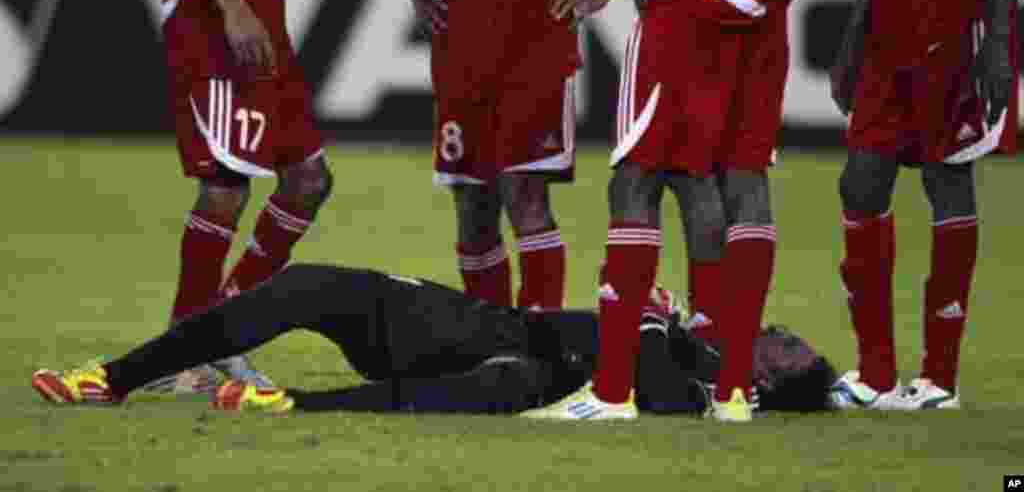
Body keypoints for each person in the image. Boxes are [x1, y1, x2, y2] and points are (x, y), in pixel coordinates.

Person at [521, 0, 824, 422]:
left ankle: (611, 391)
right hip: (765, 19)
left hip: (687, 6)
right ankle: (734, 391)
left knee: (636, 179)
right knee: (742, 180)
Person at [31, 264, 836, 415]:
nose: (776, 330)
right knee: (309, 284)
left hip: (508, 358)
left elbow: (648, 384)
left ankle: (290, 404)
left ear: (768, 385)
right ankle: (113, 376)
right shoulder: (703, 348)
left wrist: (653, 318)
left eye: (788, 349)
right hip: (482, 325)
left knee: (484, 388)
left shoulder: (698, 389)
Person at [828, 0, 1016, 410]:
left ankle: (940, 377)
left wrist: (1000, 40)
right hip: (885, 31)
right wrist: (853, 37)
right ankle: (876, 377)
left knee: (947, 176)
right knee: (859, 185)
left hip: (952, 11)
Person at [158, 0, 334, 386]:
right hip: (212, 26)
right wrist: (234, 8)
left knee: (308, 181)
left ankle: (215, 329)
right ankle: (185, 354)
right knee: (225, 186)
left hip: (265, 26)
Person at [402, 0, 581, 310]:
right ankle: (490, 339)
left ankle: (540, 341)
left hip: (537, 47)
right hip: (462, 53)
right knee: (473, 204)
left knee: (524, 191)